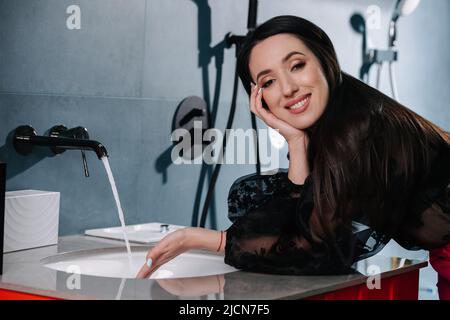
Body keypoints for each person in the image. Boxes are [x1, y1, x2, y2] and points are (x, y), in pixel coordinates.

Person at [136, 15, 450, 298]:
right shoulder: (335, 122)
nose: (287, 88)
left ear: (325, 61)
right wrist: (296, 142)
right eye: (268, 81)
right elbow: (299, 222)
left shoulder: (358, 127)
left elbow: (311, 252)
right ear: (258, 97)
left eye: (297, 65)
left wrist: (203, 239)